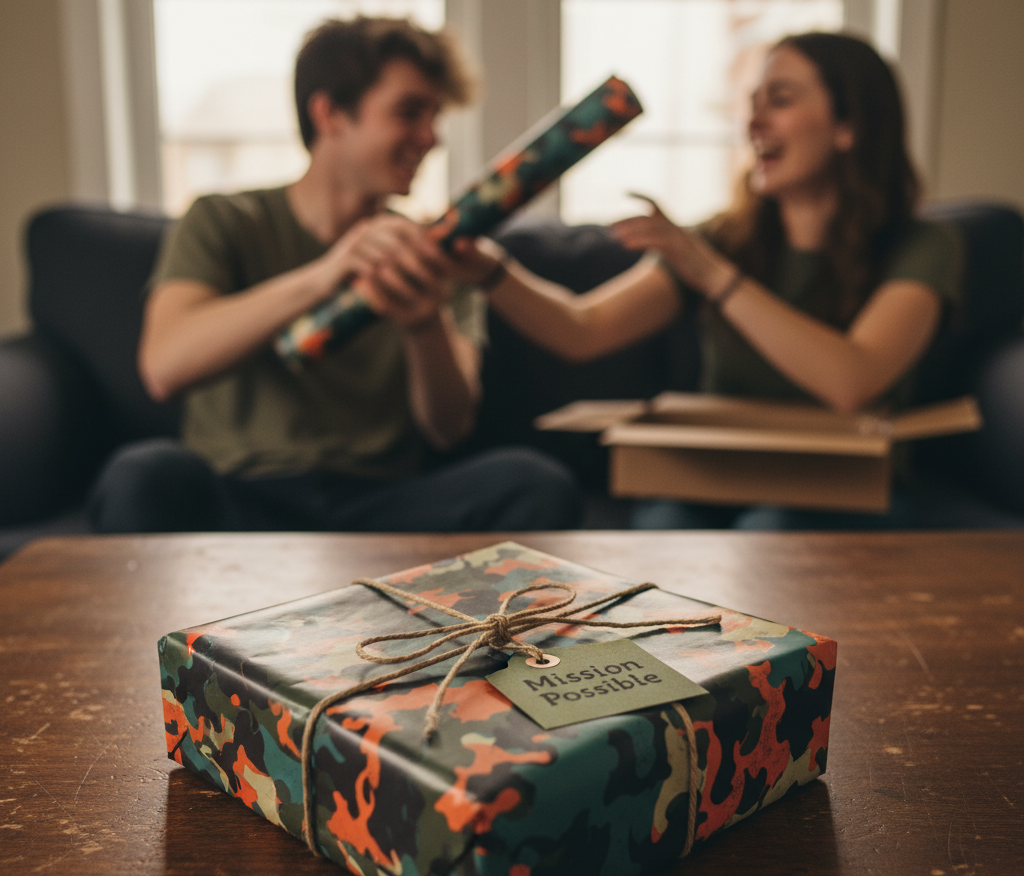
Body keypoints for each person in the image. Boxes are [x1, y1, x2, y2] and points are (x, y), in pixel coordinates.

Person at [447, 32, 961, 529]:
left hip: (844, 489)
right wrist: (491, 270)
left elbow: (852, 382)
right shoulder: (725, 238)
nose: (753, 122)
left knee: (771, 532)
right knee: (668, 525)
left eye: (779, 101)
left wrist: (713, 274)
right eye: (752, 102)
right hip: (717, 479)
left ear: (850, 125)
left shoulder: (922, 245)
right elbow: (583, 330)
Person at [89, 16, 581, 534]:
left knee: (534, 483)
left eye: (435, 116)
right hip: (239, 496)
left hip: (381, 503)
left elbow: (448, 429)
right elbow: (166, 366)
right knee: (140, 476)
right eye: (410, 112)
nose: (431, 137)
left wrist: (423, 324)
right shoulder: (224, 219)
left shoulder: (434, 251)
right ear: (329, 114)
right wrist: (327, 273)